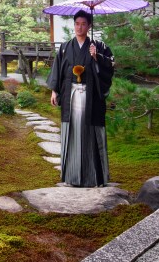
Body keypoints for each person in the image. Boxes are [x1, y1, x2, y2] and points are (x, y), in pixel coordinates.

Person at [47, 10, 114, 187]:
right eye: (77, 23)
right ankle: (72, 176)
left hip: (91, 97)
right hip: (71, 96)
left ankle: (93, 177)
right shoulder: (65, 47)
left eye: (84, 24)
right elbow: (58, 70)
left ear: (89, 26)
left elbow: (110, 66)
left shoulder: (98, 46)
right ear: (74, 25)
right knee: (73, 132)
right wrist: (54, 91)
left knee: (89, 133)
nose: (80, 27)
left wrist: (96, 57)